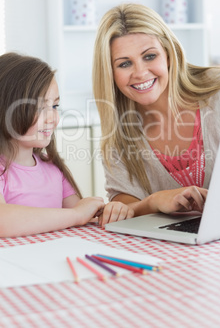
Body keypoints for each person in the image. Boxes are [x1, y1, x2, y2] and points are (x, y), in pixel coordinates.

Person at [92, 2, 220, 222]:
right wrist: (156, 200)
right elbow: (124, 205)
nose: (140, 72)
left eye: (149, 56)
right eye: (125, 63)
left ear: (168, 53)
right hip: (176, 247)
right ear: (110, 72)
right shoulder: (119, 130)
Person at [0, 52, 132, 237]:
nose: (53, 118)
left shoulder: (52, 168)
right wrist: (76, 214)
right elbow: (3, 221)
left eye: (55, 106)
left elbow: (82, 217)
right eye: (39, 107)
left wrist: (109, 211)